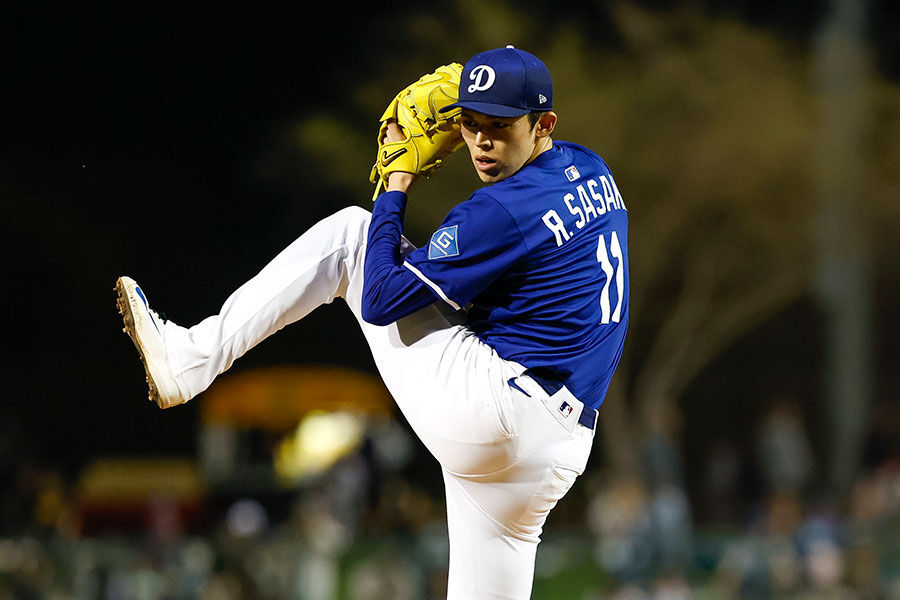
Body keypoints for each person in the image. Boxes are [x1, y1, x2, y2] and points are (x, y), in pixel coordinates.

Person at [116, 46, 629, 599]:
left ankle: (186, 360)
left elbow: (381, 299)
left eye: (499, 125)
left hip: (500, 414)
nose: (481, 140)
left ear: (543, 124)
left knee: (352, 237)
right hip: (558, 451)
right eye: (470, 121)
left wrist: (397, 183)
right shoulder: (592, 170)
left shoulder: (500, 211)